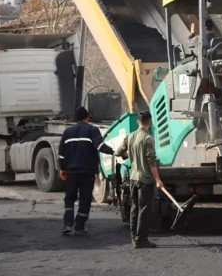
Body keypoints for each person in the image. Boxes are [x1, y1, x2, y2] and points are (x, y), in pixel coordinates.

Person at [58, 106, 115, 236]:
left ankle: (67, 224)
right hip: (87, 172)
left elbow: (61, 154)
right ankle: (79, 226)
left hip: (71, 172)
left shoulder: (67, 132)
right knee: (85, 198)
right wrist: (114, 152)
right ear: (87, 117)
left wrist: (62, 168)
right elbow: (100, 146)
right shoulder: (92, 130)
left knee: (69, 197)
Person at [115, 110, 164, 249]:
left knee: (135, 208)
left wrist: (128, 155)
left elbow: (118, 152)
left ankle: (133, 238)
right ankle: (141, 239)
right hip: (145, 180)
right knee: (144, 209)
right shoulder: (147, 139)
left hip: (133, 178)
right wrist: (158, 179)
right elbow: (151, 162)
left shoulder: (130, 137)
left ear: (138, 122)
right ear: (150, 122)